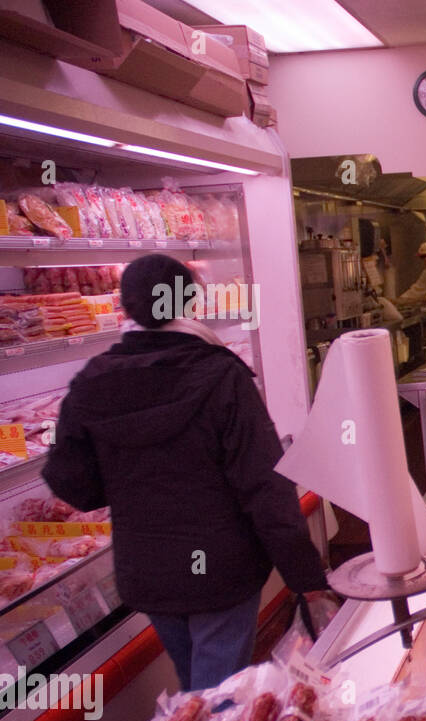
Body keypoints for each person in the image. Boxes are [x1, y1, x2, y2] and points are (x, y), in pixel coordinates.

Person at [42, 255, 330, 691]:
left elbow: (73, 486)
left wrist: (126, 476)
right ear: (189, 301)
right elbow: (266, 488)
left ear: (126, 306)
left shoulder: (91, 381)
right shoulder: (221, 375)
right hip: (221, 570)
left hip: (149, 570)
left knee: (196, 693)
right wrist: (306, 576)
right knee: (219, 697)